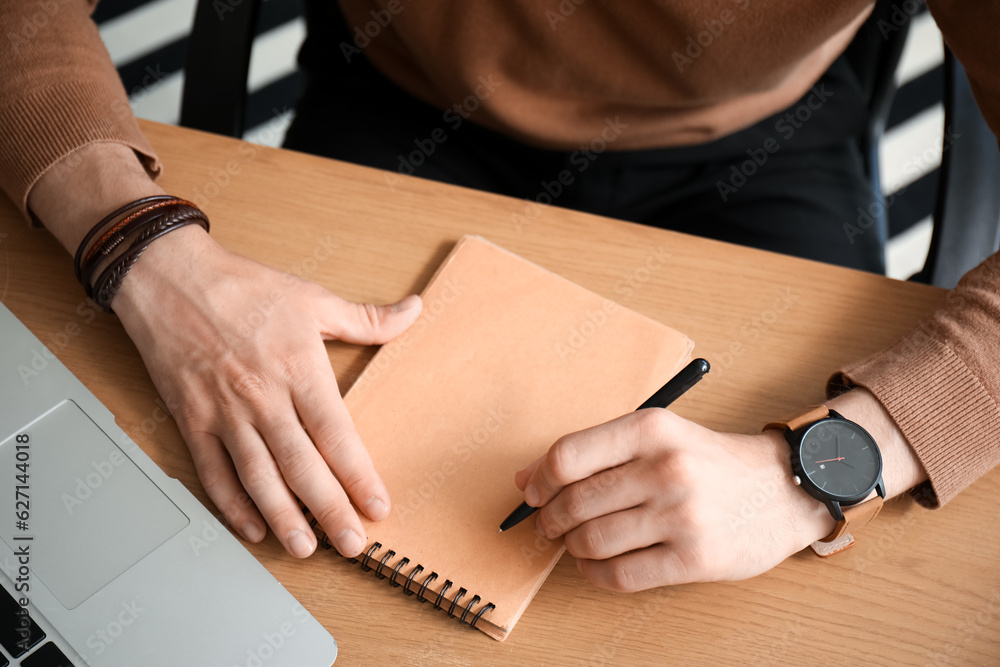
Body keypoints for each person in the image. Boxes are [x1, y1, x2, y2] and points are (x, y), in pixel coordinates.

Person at [0, 0, 997, 591]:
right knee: (252, 531)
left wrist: (824, 467)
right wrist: (138, 241)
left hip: (757, 134)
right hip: (409, 91)